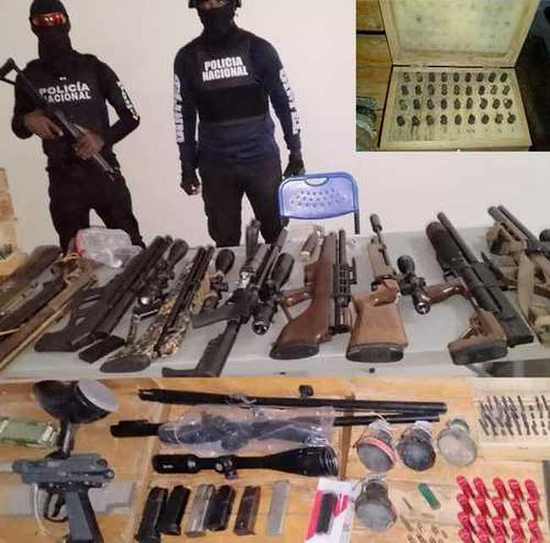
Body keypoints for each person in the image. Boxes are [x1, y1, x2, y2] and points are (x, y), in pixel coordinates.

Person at [11, 0, 144, 252]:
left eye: (56, 19)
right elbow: (17, 127)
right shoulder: (29, 76)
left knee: (132, 249)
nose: (50, 26)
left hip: (103, 172)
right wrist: (28, 121)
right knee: (73, 256)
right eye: (42, 21)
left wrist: (101, 139)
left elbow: (131, 117)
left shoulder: (93, 67)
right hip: (63, 179)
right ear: (33, 26)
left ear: (67, 22)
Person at [174, 0, 305, 247]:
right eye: (205, 3)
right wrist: (187, 165)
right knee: (225, 241)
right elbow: (184, 116)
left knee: (276, 235)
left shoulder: (259, 49)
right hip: (215, 166)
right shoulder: (187, 58)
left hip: (261, 161)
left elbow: (284, 102)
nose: (212, 8)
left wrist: (295, 151)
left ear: (234, 4)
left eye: (218, 1)